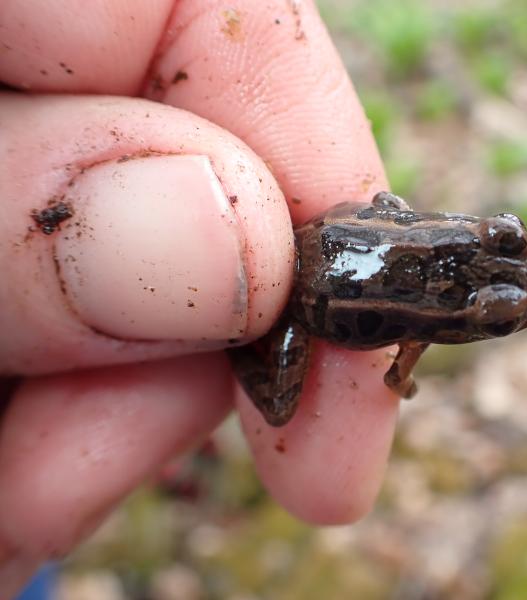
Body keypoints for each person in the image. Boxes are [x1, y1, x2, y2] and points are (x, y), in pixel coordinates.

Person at [0, 1, 399, 595]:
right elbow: (395, 367)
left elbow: (388, 212)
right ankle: (234, 346)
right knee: (283, 408)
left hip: (309, 267)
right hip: (295, 285)